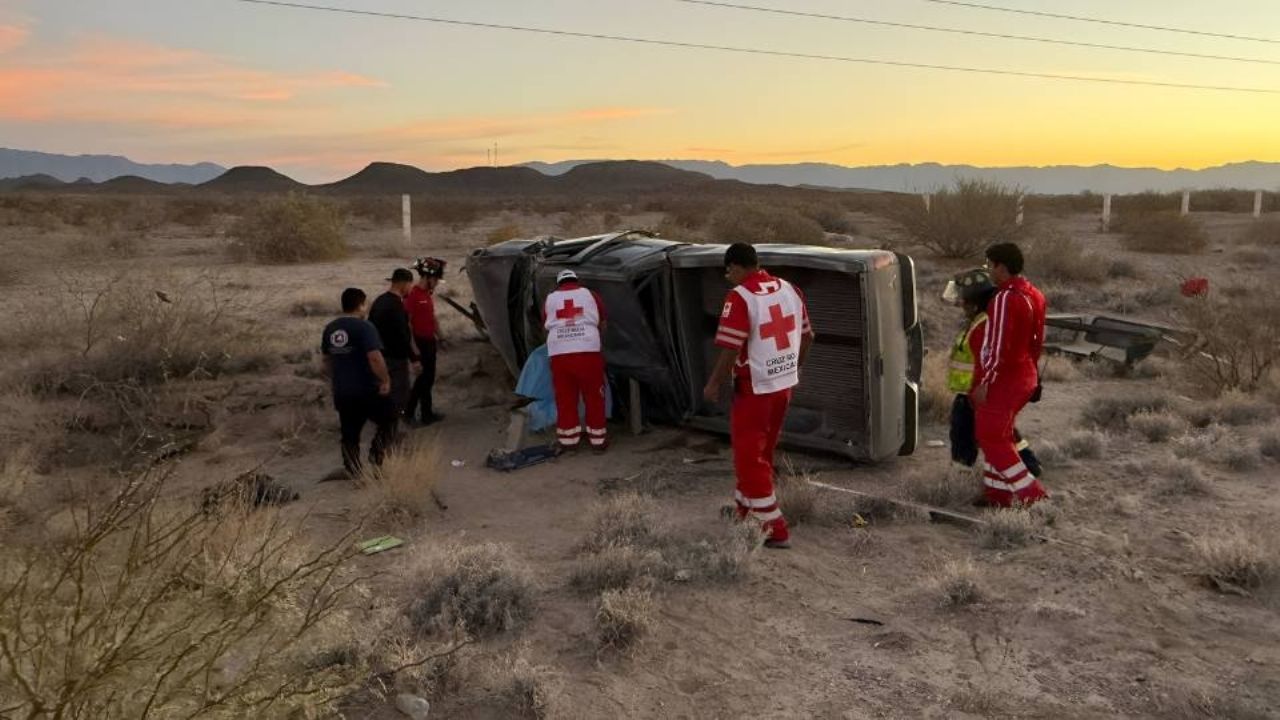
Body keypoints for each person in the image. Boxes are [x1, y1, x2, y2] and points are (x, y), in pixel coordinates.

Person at [703, 243, 814, 549]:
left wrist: (714, 384)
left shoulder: (740, 297)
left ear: (736, 267)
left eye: (729, 271)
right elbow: (808, 336)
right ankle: (745, 507)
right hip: (783, 386)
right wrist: (795, 368)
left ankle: (774, 527)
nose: (729, 277)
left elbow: (730, 348)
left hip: (754, 389)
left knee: (748, 457)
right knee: (763, 452)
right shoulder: (790, 289)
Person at [943, 268, 1042, 483]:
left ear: (974, 300)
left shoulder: (984, 324)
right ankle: (1029, 465)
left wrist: (979, 393)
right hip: (977, 391)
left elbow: (987, 362)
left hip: (976, 392)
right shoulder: (986, 319)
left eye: (963, 299)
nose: (960, 304)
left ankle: (961, 479)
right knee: (1001, 431)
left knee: (964, 435)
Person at [972, 243, 1049, 507]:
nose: (988, 271)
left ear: (1000, 267)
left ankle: (1033, 496)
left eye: (989, 265)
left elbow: (997, 345)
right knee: (1001, 435)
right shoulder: (1034, 294)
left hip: (1006, 378)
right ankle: (998, 495)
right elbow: (1037, 341)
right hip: (1025, 373)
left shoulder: (1005, 298)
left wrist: (985, 381)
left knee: (991, 436)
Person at [320, 288, 395, 476]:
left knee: (349, 432)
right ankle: (376, 455)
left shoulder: (331, 328)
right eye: (365, 304)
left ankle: (353, 469)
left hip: (343, 391)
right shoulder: (365, 327)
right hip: (367, 388)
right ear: (361, 305)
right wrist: (385, 379)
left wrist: (336, 380)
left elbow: (326, 361)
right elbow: (375, 357)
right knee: (389, 419)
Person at [543, 269, 609, 452]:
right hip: (588, 352)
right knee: (594, 396)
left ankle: (568, 441)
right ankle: (598, 441)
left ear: (559, 283)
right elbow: (603, 322)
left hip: (559, 354)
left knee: (565, 397)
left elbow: (546, 325)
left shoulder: (550, 299)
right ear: (577, 281)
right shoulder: (591, 295)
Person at [368, 267, 415, 423]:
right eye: (410, 284)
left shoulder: (379, 301)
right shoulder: (396, 305)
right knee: (399, 395)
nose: (410, 288)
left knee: (385, 394)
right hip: (395, 358)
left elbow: (370, 328)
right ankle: (394, 432)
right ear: (403, 284)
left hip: (380, 356)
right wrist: (413, 358)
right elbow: (403, 335)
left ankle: (386, 429)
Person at [405, 257, 446, 426]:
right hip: (419, 343)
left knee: (428, 379)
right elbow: (406, 324)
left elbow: (432, 318)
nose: (436, 284)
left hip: (430, 342)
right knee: (423, 380)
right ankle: (409, 413)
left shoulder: (427, 295)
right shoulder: (412, 296)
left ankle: (426, 413)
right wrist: (413, 348)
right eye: (435, 280)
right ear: (428, 278)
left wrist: (441, 336)